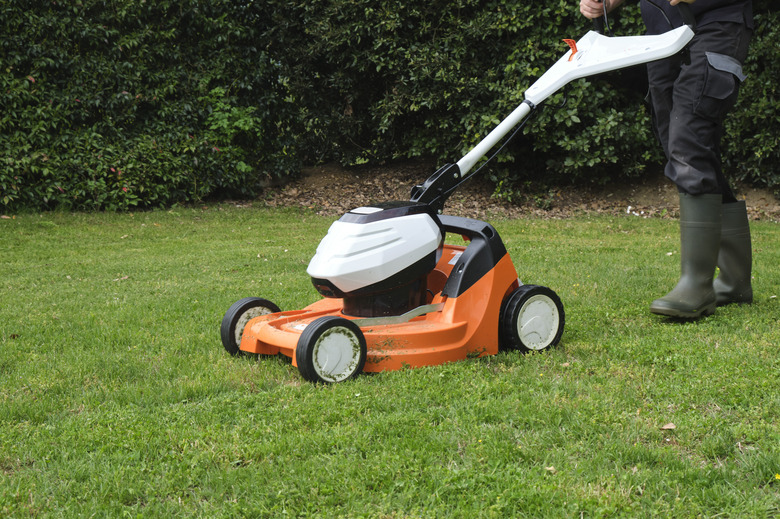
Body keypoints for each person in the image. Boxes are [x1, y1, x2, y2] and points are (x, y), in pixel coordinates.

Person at [579, 0, 754, 319]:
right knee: (680, 142)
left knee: (688, 137)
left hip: (718, 24)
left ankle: (696, 284)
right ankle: (734, 281)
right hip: (663, 34)